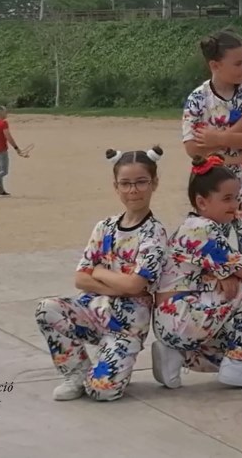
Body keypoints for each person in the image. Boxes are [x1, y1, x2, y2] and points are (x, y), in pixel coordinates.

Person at [35, 146, 168, 402]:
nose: (133, 190)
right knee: (47, 308)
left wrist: (99, 272)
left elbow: (136, 284)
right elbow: (81, 278)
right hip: (91, 312)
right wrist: (118, 283)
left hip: (126, 327)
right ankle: (76, 372)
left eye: (141, 182)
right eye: (125, 183)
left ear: (154, 183)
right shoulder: (104, 227)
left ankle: (106, 366)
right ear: (116, 186)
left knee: (102, 391)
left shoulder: (154, 233)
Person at [151, 155, 242, 390]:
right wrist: (227, 274)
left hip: (171, 322)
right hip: (182, 317)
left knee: (226, 340)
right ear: (202, 202)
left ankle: (174, 356)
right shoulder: (204, 228)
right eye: (227, 199)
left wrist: (221, 274)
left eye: (237, 198)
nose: (235, 205)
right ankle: (239, 363)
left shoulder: (190, 226)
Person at [183, 29, 242, 258]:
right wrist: (239, 131)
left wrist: (218, 138)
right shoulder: (198, 99)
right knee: (215, 252)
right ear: (215, 65)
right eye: (238, 63)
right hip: (211, 182)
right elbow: (193, 149)